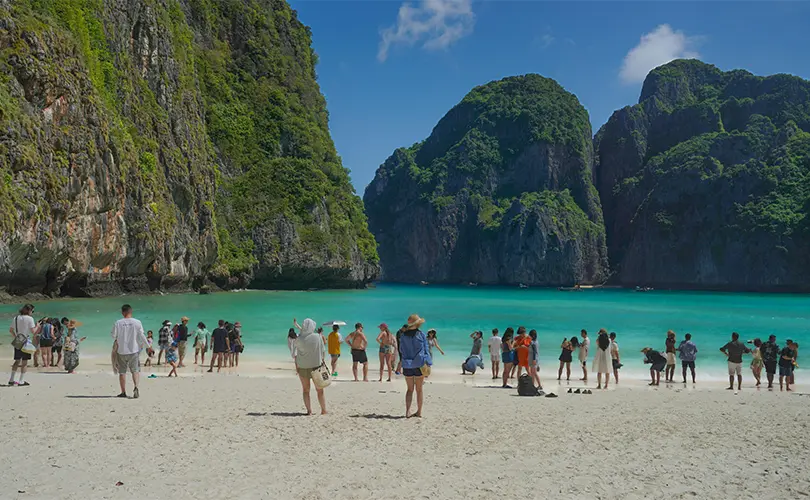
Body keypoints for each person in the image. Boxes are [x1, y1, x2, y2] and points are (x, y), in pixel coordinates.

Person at [111, 304, 147, 398]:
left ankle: (123, 392)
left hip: (121, 351)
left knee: (122, 372)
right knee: (135, 370)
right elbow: (142, 335)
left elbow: (113, 335)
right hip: (134, 350)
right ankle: (136, 387)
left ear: (122, 312)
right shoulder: (137, 322)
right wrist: (148, 346)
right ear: (131, 311)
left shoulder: (118, 323)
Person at [399, 314, 431, 418]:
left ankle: (407, 411)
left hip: (407, 364)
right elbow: (426, 350)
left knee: (409, 389)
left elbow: (401, 350)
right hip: (419, 364)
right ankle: (419, 411)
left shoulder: (403, 336)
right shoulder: (421, 335)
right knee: (419, 389)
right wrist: (428, 363)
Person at [294, 318, 327, 415]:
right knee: (320, 390)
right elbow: (323, 351)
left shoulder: (299, 339)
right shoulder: (318, 337)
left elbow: (297, 353)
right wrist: (322, 360)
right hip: (316, 366)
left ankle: (309, 411)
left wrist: (296, 366)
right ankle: (323, 410)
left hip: (302, 366)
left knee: (305, 390)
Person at [7, 304, 39, 386]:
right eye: (32, 311)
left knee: (17, 360)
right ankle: (21, 381)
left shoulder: (16, 318)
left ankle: (11, 379)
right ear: (29, 310)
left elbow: (11, 330)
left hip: (18, 339)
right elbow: (33, 331)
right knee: (24, 361)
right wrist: (37, 326)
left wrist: (16, 337)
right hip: (26, 341)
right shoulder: (30, 318)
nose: (32, 312)